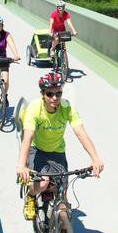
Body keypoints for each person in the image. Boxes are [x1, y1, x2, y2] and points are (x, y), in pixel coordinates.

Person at [17, 71, 104, 221]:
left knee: (62, 197)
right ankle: (30, 196)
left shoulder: (67, 108)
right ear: (42, 94)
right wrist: (21, 165)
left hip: (57, 152)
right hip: (36, 150)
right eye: (50, 94)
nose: (55, 98)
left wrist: (95, 158)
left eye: (58, 93)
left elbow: (81, 133)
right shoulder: (34, 108)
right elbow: (28, 136)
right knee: (43, 183)